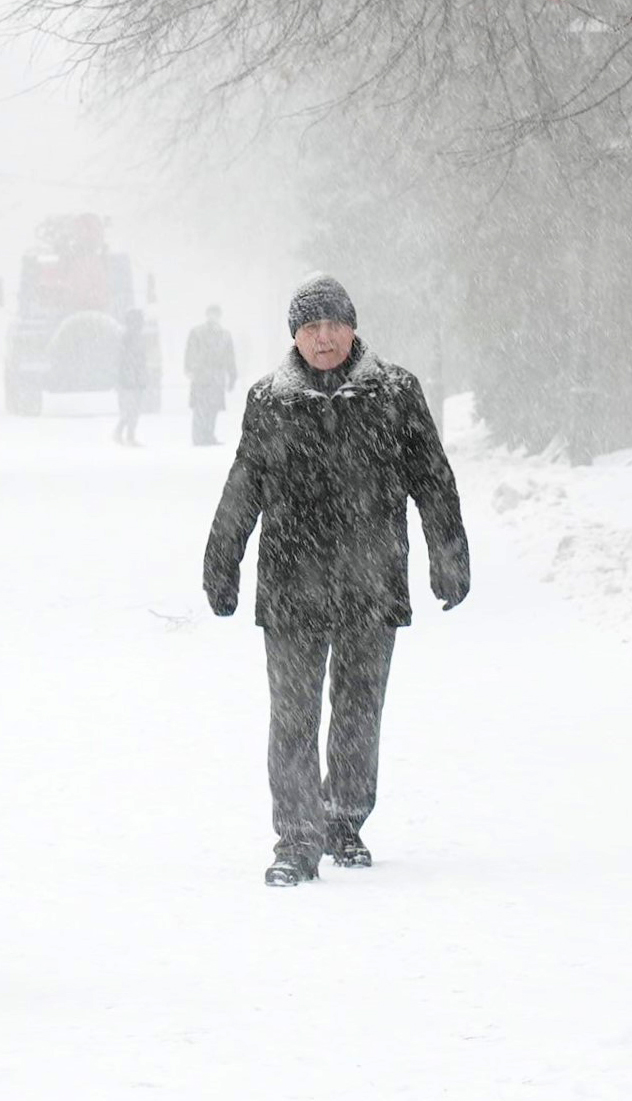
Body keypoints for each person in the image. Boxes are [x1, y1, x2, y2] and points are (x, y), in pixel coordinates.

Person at [203, 274, 470, 887]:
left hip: (370, 583)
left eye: (333, 324)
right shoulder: (269, 401)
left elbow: (433, 479)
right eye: (310, 326)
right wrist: (222, 563)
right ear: (294, 335)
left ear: (353, 327)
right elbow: (244, 483)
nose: (324, 338)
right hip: (292, 584)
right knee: (293, 715)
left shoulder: (396, 392)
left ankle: (345, 820)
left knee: (357, 711)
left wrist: (448, 555)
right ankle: (297, 839)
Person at [184, 304, 237, 446]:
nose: (213, 317)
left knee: (213, 408)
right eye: (211, 313)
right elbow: (190, 352)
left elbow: (229, 357)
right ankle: (198, 437)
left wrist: (232, 376)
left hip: (217, 376)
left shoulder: (225, 335)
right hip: (201, 376)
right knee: (200, 407)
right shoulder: (197, 332)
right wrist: (190, 369)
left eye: (216, 314)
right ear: (207, 315)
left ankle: (208, 435)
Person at [114, 307, 150, 447]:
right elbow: (124, 359)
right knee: (132, 409)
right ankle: (128, 435)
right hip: (129, 379)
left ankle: (122, 433)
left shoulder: (134, 337)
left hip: (134, 378)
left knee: (132, 409)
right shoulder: (127, 338)